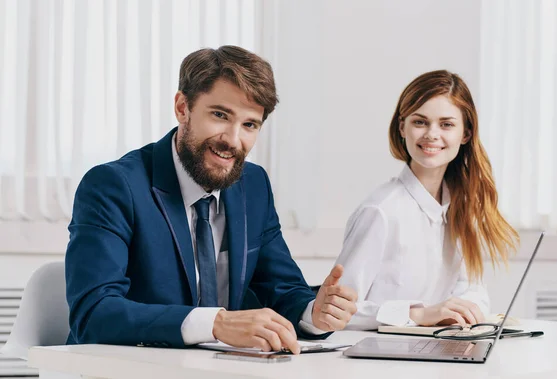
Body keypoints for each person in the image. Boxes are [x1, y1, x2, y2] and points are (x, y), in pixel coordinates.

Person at [65, 46, 357, 354]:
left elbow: (280, 288)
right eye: (220, 115)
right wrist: (216, 323)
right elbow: (94, 313)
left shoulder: (253, 185)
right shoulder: (114, 186)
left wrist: (314, 313)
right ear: (182, 107)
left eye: (249, 125)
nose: (232, 139)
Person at [335, 70, 519, 330]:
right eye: (420, 122)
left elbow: (474, 291)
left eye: (446, 124)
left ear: (465, 134)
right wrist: (418, 314)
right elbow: (339, 312)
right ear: (402, 127)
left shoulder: (461, 207)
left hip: (437, 347)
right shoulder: (381, 210)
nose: (432, 134)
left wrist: (463, 311)